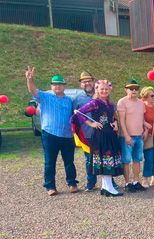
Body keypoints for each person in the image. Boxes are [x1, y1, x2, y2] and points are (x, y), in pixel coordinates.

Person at [25, 67, 78, 196]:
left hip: (67, 135)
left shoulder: (69, 100)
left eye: (60, 84)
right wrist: (30, 79)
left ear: (64, 86)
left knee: (69, 161)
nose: (57, 87)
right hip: (50, 134)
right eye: (55, 84)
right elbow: (33, 90)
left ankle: (72, 183)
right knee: (50, 161)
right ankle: (50, 186)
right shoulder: (45, 97)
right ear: (51, 86)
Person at [73, 80, 123, 197]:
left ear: (110, 90)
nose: (104, 91)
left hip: (109, 133)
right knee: (105, 159)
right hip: (100, 135)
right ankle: (108, 187)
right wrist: (91, 124)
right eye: (102, 89)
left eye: (106, 89)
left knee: (108, 159)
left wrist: (115, 122)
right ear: (97, 90)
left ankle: (106, 187)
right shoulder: (94, 103)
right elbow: (79, 113)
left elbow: (112, 117)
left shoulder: (110, 103)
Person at [117, 78, 147, 193]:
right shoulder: (122, 102)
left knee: (137, 159)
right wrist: (126, 135)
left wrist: (145, 130)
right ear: (126, 90)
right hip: (127, 136)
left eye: (136, 89)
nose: (134, 91)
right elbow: (122, 121)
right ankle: (127, 182)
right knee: (126, 160)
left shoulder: (141, 103)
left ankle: (135, 181)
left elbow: (142, 118)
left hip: (139, 135)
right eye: (131, 89)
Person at [73, 71, 98, 191]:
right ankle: (91, 182)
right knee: (89, 159)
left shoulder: (101, 95)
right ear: (81, 84)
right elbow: (74, 116)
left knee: (105, 156)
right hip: (87, 133)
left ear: (93, 82)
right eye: (84, 82)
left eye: (89, 81)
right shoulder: (77, 99)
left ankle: (109, 181)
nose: (87, 83)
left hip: (101, 133)